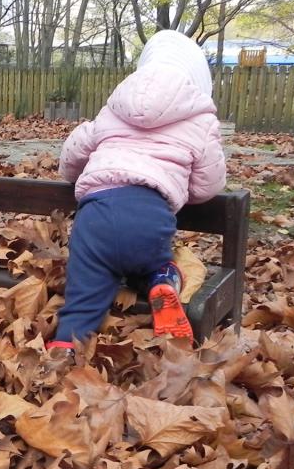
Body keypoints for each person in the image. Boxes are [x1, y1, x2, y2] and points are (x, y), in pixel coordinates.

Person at [48, 30, 226, 354]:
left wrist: (76, 172)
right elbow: (208, 186)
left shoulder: (114, 109)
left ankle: (63, 347)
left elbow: (71, 156)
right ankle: (162, 281)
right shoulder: (200, 120)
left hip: (94, 217)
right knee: (154, 263)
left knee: (85, 293)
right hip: (149, 215)